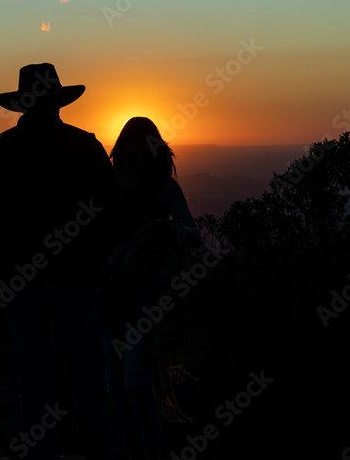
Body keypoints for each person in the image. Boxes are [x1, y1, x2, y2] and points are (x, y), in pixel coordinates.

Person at [0, 63, 126, 460]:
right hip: (78, 284)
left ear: (22, 104)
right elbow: (114, 213)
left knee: (34, 389)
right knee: (89, 384)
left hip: (22, 290)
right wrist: (101, 264)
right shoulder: (86, 147)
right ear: (59, 102)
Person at [101, 117, 201, 460]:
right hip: (109, 297)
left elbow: (194, 232)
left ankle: (154, 451)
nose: (138, 164)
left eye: (145, 158)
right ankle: (133, 450)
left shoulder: (166, 189)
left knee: (136, 386)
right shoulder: (109, 185)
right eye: (131, 158)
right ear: (120, 156)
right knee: (115, 389)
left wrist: (165, 229)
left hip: (148, 299)